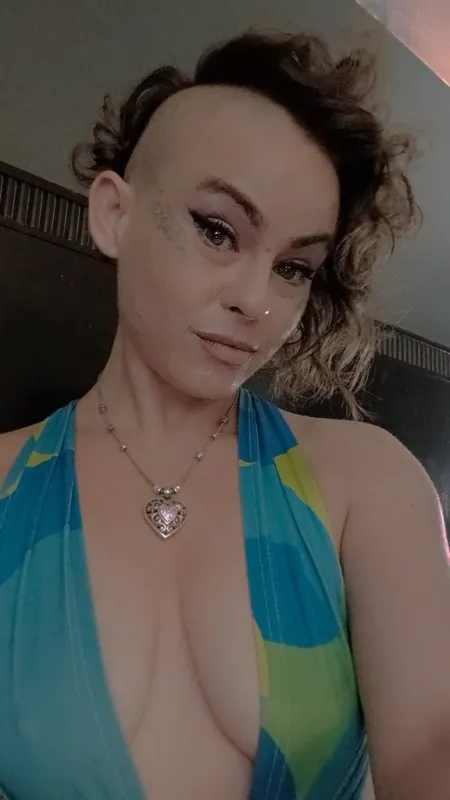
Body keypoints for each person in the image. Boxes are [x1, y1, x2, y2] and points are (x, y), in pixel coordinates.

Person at [0, 28, 448, 800]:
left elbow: (430, 753)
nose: (256, 299)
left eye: (294, 267)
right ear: (113, 214)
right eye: (217, 231)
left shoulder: (365, 486)